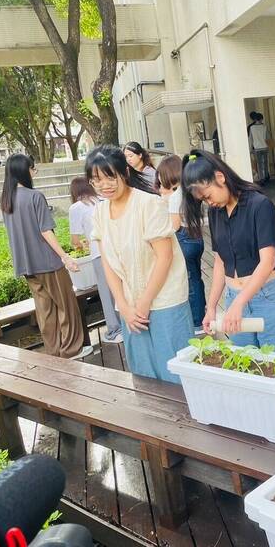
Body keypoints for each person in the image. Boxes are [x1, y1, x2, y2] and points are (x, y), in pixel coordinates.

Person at [87, 146, 194, 383]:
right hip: (130, 303)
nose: (105, 185)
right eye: (97, 180)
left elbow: (164, 257)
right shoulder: (100, 212)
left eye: (110, 176)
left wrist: (144, 303)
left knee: (175, 372)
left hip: (165, 299)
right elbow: (108, 264)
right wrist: (123, 306)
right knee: (143, 373)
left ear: (125, 172)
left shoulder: (148, 203)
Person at [181, 149, 275, 352]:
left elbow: (267, 262)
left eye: (208, 196)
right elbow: (219, 262)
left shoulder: (259, 204)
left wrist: (240, 303)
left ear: (220, 177)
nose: (209, 203)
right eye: (204, 201)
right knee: (248, 368)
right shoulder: (216, 211)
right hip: (234, 296)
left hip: (268, 297)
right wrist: (212, 307)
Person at [0, 154, 87, 359]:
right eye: (33, 168)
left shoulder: (6, 201)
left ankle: (53, 352)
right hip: (48, 262)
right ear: (24, 171)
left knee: (45, 310)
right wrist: (65, 256)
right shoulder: (34, 196)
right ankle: (71, 350)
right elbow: (46, 231)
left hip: (26, 265)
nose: (34, 172)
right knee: (66, 306)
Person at [68, 177, 122, 345]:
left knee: (106, 292)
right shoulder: (103, 200)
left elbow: (75, 240)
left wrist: (81, 244)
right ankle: (126, 324)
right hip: (117, 250)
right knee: (121, 287)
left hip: (99, 253)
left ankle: (115, 330)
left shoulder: (76, 207)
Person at [155, 154, 206, 331]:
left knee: (191, 282)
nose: (160, 182)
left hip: (184, 239)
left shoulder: (176, 197)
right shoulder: (190, 192)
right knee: (197, 279)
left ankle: (197, 321)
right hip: (197, 238)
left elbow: (174, 226)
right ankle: (203, 314)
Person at [247, 111, 271, 183]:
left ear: (255, 119)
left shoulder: (252, 128)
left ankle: (261, 179)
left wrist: (250, 149)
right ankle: (266, 176)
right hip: (265, 147)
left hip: (257, 148)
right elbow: (268, 137)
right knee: (265, 162)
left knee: (259, 164)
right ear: (261, 119)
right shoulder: (264, 127)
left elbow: (250, 139)